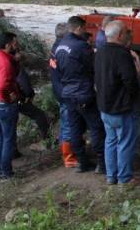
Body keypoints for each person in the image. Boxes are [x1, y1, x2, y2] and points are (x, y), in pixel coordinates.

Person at [94, 20, 140, 187]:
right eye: (126, 33)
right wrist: (133, 97)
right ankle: (125, 178)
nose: (128, 35)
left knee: (111, 141)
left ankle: (111, 176)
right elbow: (130, 81)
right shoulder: (122, 54)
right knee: (125, 142)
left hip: (104, 107)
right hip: (122, 108)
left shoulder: (99, 52)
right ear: (120, 35)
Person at [55, 16, 105, 173]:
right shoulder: (82, 46)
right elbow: (92, 67)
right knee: (96, 127)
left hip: (67, 93)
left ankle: (82, 162)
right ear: (78, 28)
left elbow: (58, 70)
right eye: (84, 29)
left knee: (75, 128)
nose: (85, 32)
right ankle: (102, 163)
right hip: (83, 92)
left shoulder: (59, 46)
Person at [0, 32, 21, 181]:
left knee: (0, 139)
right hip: (5, 105)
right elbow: (4, 85)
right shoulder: (6, 62)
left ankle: (0, 170)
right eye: (15, 43)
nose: (17, 45)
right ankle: (6, 173)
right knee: (8, 139)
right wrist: (9, 95)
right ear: (8, 44)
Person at [50, 22, 77, 168]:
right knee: (67, 125)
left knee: (64, 123)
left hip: (58, 90)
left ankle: (65, 151)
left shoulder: (55, 48)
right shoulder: (62, 51)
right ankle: (69, 158)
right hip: (64, 92)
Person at [15, 51, 51, 146]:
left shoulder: (5, 65)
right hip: (18, 100)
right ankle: (46, 138)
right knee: (39, 115)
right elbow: (26, 86)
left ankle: (13, 150)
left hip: (4, 100)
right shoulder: (19, 69)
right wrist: (29, 95)